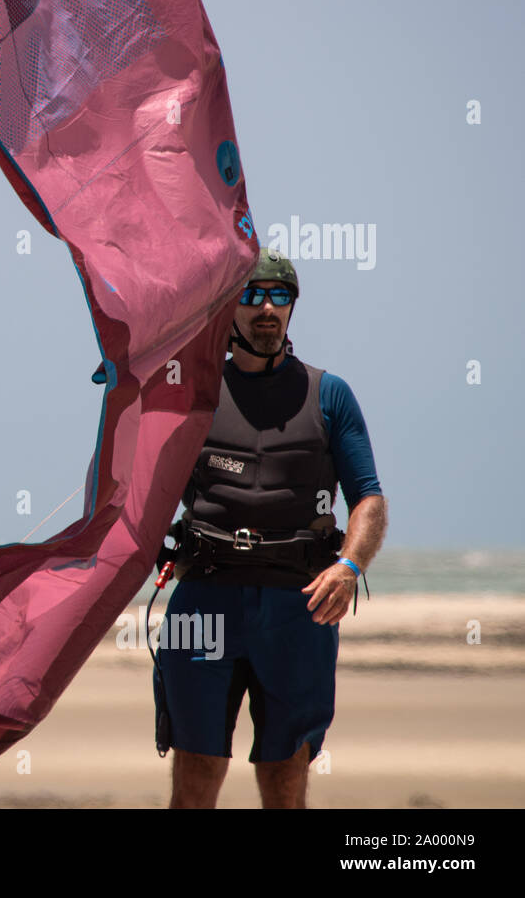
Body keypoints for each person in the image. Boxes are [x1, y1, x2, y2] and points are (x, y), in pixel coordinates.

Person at [151, 247, 388, 808]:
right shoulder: (193, 397)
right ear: (228, 308)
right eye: (252, 294)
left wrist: (350, 566)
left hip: (297, 606)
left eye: (279, 296)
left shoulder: (329, 395)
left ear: (291, 308)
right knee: (196, 773)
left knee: (286, 778)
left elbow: (369, 502)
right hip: (204, 602)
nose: (266, 308)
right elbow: (143, 494)